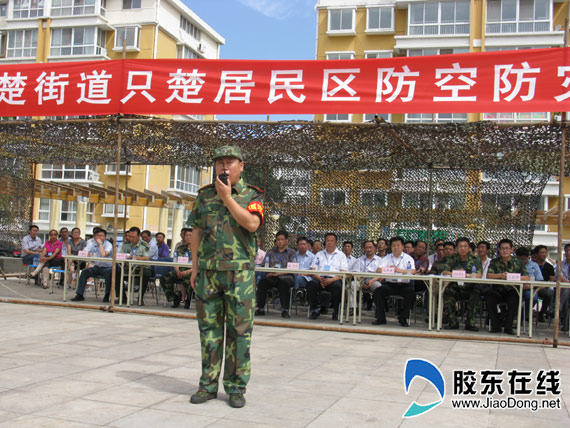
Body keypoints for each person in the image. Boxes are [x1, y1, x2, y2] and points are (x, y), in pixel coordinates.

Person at [188, 145, 263, 409]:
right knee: (208, 332)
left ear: (241, 166)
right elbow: (195, 231)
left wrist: (228, 197)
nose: (224, 166)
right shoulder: (204, 195)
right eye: (219, 161)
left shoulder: (252, 195)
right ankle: (207, 385)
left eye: (230, 161)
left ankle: (235, 388)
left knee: (239, 333)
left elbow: (252, 224)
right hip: (208, 274)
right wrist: (195, 267)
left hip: (239, 276)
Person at [486, 239, 529, 334]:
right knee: (489, 296)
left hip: (512, 290)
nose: (504, 251)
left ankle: (508, 327)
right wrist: (500, 276)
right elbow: (489, 275)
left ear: (511, 250)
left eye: (506, 248)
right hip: (498, 290)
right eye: (502, 248)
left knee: (515, 298)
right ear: (499, 250)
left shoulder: (518, 262)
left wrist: (512, 277)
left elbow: (526, 277)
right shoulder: (494, 262)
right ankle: (495, 325)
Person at [372, 236, 416, 327]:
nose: (396, 247)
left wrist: (400, 270)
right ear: (390, 247)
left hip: (404, 285)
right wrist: (389, 269)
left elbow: (412, 271)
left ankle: (403, 317)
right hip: (390, 284)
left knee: (411, 294)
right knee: (378, 292)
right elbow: (378, 270)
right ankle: (381, 318)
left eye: (398, 245)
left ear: (402, 246)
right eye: (394, 245)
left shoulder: (408, 258)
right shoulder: (387, 258)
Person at [441, 237, 482, 331]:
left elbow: (479, 274)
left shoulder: (475, 259)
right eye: (460, 246)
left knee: (476, 292)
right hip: (456, 287)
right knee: (447, 292)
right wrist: (455, 273)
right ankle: (453, 322)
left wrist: (466, 275)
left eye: (465, 246)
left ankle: (470, 323)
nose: (462, 249)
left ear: (468, 248)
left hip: (470, 286)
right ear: (456, 248)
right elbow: (445, 272)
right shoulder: (452, 258)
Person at [255, 231, 297, 318]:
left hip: (286, 277)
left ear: (286, 241)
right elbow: (263, 265)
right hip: (272, 276)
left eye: (282, 239)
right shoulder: (270, 252)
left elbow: (293, 268)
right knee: (262, 283)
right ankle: (260, 308)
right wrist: (270, 271)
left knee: (284, 284)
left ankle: (284, 310)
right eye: (278, 240)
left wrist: (277, 273)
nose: (280, 241)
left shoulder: (291, 252)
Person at [307, 232, 347, 321]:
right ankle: (314, 310)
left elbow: (343, 272)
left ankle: (336, 311)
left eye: (332, 241)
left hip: (334, 279)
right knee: (311, 284)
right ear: (325, 242)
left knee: (338, 287)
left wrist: (332, 280)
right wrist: (319, 278)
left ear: (336, 242)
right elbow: (313, 270)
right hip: (320, 278)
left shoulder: (341, 255)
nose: (329, 243)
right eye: (327, 241)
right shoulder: (319, 254)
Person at [71, 227, 113, 302]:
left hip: (107, 267)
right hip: (97, 267)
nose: (99, 237)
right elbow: (84, 252)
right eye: (97, 235)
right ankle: (79, 294)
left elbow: (103, 254)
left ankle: (107, 295)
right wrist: (85, 254)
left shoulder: (108, 245)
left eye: (101, 236)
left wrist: (100, 245)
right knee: (84, 273)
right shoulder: (92, 244)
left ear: (105, 237)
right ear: (94, 237)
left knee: (109, 274)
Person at [117, 226, 152, 305]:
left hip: (141, 267)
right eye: (130, 236)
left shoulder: (144, 244)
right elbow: (120, 255)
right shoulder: (126, 244)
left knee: (146, 274)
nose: (131, 239)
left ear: (139, 236)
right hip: (128, 266)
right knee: (116, 272)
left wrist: (134, 257)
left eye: (134, 237)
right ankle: (122, 297)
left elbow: (146, 258)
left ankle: (140, 297)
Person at [160, 229, 193, 308]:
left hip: (192, 272)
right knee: (165, 278)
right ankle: (175, 298)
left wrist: (186, 272)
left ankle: (188, 299)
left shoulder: (199, 249)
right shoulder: (179, 249)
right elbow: (175, 261)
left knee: (188, 279)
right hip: (179, 271)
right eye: (186, 235)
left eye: (190, 236)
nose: (188, 237)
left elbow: (198, 265)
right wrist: (177, 270)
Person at [516, 246, 544, 322]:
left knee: (533, 297)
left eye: (524, 259)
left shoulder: (534, 266)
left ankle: (524, 315)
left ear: (528, 257)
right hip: (515, 288)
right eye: (520, 259)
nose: (522, 261)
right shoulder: (513, 264)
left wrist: (530, 286)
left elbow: (540, 280)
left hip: (528, 289)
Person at [355, 240, 383, 311]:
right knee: (352, 285)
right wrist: (361, 282)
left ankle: (378, 309)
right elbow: (356, 273)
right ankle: (353, 308)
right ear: (364, 249)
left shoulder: (380, 260)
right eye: (366, 248)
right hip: (361, 280)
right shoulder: (359, 260)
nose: (368, 249)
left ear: (375, 248)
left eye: (370, 247)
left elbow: (381, 274)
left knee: (379, 287)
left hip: (374, 280)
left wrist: (373, 280)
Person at [533, 244, 555, 321]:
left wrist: (544, 286)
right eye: (542, 252)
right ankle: (525, 313)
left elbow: (551, 280)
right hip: (531, 286)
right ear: (536, 254)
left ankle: (542, 312)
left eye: (545, 252)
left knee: (549, 293)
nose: (544, 254)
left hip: (543, 287)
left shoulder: (549, 266)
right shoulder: (531, 265)